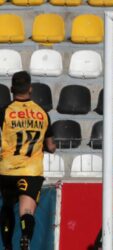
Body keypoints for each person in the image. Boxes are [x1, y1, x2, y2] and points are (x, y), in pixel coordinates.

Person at [0, 71, 56, 250]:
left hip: (7, 169)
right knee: (26, 211)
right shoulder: (42, 113)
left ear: (11, 89)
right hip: (31, 170)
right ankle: (25, 237)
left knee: (8, 206)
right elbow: (51, 146)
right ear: (30, 89)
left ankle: (7, 245)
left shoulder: (5, 112)